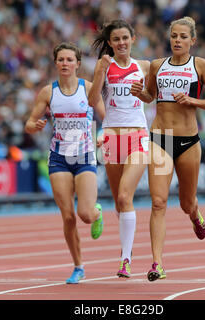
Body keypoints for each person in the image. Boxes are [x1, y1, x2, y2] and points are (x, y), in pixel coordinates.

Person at [130, 16, 205, 281]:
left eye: (183, 36)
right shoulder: (157, 66)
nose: (177, 40)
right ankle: (157, 263)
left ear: (192, 40)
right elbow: (150, 96)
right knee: (158, 202)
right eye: (174, 36)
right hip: (161, 137)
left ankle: (195, 214)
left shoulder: (201, 65)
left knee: (185, 202)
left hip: (188, 141)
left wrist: (193, 100)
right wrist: (140, 93)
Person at [25, 42, 105, 284]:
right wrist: (35, 125)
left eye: (69, 60)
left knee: (84, 214)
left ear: (77, 64)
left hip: (84, 157)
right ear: (55, 63)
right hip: (59, 158)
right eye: (61, 59)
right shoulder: (48, 92)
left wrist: (102, 135)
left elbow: (107, 119)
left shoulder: (88, 89)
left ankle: (96, 213)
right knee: (68, 216)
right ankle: (78, 266)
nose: (65, 64)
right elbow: (29, 123)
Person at [88, 20, 150, 278]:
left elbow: (151, 97)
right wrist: (101, 72)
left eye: (125, 38)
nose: (121, 43)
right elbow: (93, 101)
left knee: (126, 196)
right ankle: (125, 244)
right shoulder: (105, 65)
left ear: (133, 38)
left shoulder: (144, 66)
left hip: (137, 136)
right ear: (111, 43)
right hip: (113, 138)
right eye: (116, 40)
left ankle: (125, 258)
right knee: (118, 200)